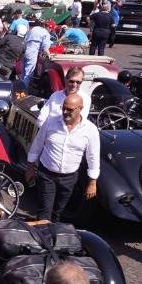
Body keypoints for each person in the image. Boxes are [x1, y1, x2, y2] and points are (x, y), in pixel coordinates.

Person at [25, 91, 99, 222]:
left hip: (69, 179)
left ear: (80, 109)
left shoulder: (90, 130)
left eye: (69, 109)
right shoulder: (50, 122)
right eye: (63, 108)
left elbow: (93, 156)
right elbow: (37, 143)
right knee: (44, 212)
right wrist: (30, 167)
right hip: (46, 174)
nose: (65, 112)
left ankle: (53, 230)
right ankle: (42, 232)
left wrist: (92, 182)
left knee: (58, 212)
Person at [20, 17, 51, 88]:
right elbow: (45, 48)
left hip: (25, 49)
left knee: (23, 72)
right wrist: (49, 56)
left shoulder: (33, 29)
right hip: (32, 52)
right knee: (28, 73)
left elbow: (25, 39)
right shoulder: (45, 32)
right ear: (44, 25)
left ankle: (20, 88)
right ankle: (24, 90)